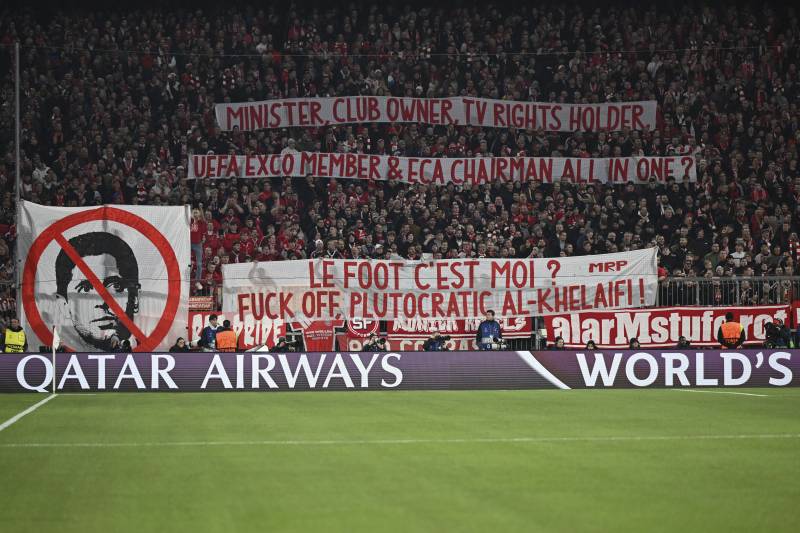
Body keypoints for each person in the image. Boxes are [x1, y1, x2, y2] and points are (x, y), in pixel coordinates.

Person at [54, 232, 140, 351]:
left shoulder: (135, 349)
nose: (106, 304)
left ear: (134, 300)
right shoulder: (61, 352)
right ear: (63, 305)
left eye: (116, 286)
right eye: (86, 289)